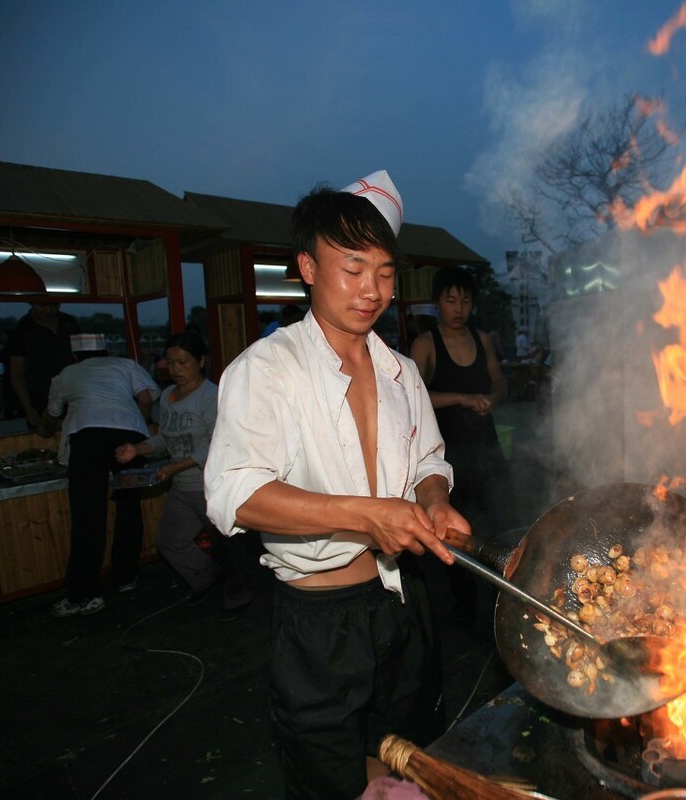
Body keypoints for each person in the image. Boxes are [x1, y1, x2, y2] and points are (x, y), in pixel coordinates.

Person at [204, 170, 466, 799]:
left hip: (401, 603)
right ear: (307, 267)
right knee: (329, 776)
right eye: (352, 268)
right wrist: (365, 515)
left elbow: (429, 454)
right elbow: (234, 494)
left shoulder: (402, 371)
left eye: (384, 272)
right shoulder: (266, 370)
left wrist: (434, 498)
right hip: (319, 619)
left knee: (405, 762)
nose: (371, 290)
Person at [114, 330, 253, 610]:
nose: (176, 369)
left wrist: (174, 467)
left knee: (228, 546)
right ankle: (207, 582)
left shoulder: (211, 396)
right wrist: (137, 449)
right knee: (171, 541)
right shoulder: (167, 396)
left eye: (183, 362)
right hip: (181, 486)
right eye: (171, 363)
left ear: (200, 361)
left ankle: (239, 595)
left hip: (210, 486)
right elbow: (165, 437)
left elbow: (217, 443)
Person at [410, 266, 515, 624]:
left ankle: (507, 599)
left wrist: (490, 398)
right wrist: (460, 397)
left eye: (466, 301)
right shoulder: (426, 344)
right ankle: (465, 611)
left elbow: (500, 383)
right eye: (451, 300)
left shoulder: (481, 339)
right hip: (447, 462)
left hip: (488, 454)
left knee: (502, 524)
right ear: (438, 303)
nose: (459, 308)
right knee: (457, 536)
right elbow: (413, 398)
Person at [42, 333, 160, 618]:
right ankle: (125, 577)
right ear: (107, 351)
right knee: (128, 506)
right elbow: (145, 397)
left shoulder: (67, 373)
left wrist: (43, 426)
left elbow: (52, 414)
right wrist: (141, 423)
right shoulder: (125, 365)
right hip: (129, 435)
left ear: (74, 356)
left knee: (87, 515)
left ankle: (83, 594)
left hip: (89, 437)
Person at [5, 301, 81, 430]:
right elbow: (16, 373)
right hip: (39, 396)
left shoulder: (69, 322)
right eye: (42, 305)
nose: (48, 310)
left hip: (72, 392)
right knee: (44, 436)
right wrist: (28, 407)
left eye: (54, 305)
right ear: (31, 303)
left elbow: (80, 356)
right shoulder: (22, 330)